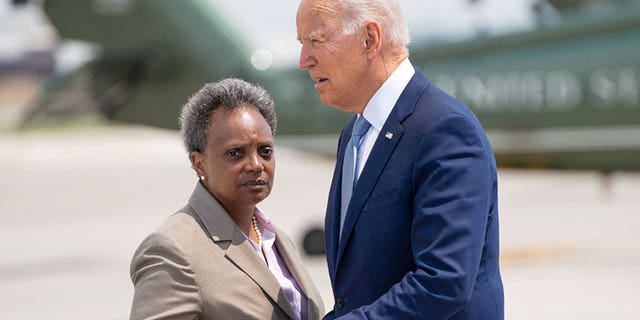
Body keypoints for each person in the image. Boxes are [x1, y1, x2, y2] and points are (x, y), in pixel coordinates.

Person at [296, 1, 504, 319]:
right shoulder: (355, 133)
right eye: (302, 44)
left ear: (370, 39)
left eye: (316, 41)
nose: (303, 61)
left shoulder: (444, 130)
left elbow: (442, 283)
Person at [129, 78, 325, 320]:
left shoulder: (275, 240)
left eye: (265, 151)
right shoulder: (173, 249)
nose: (255, 165)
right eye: (235, 153)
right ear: (199, 163)